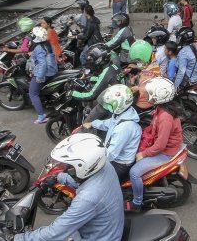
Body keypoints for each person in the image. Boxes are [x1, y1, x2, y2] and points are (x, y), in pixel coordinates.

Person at [11, 133, 124, 241]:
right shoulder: (104, 165)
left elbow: (55, 233)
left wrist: (18, 238)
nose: (63, 167)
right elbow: (83, 181)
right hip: (106, 227)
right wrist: (58, 177)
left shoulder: (88, 199)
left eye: (67, 165)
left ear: (82, 166)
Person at [125, 77, 182, 213]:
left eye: (150, 94)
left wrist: (143, 154)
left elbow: (160, 145)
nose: (147, 96)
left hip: (165, 153)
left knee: (134, 173)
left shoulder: (165, 117)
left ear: (158, 96)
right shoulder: (161, 109)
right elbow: (151, 128)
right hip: (161, 148)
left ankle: (137, 203)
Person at [82, 85, 141, 180]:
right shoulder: (123, 114)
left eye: (110, 104)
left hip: (120, 163)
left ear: (119, 105)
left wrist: (92, 164)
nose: (107, 106)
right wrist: (92, 123)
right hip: (114, 154)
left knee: (93, 180)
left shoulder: (124, 128)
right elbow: (109, 123)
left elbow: (111, 154)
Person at [29, 27, 58, 124]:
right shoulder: (47, 44)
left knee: (33, 93)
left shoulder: (38, 48)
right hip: (53, 71)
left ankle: (41, 117)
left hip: (45, 73)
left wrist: (39, 77)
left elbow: (43, 64)